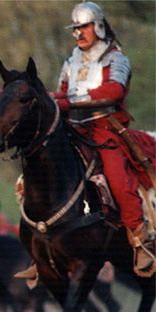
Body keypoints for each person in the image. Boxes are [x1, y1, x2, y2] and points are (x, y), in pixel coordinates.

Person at [56, 1, 155, 275]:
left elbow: (114, 91)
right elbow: (62, 91)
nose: (79, 33)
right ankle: (41, 250)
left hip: (105, 128)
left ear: (97, 25)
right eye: (75, 28)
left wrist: (75, 100)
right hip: (73, 128)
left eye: (84, 27)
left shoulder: (115, 58)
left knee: (118, 181)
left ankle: (139, 240)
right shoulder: (70, 61)